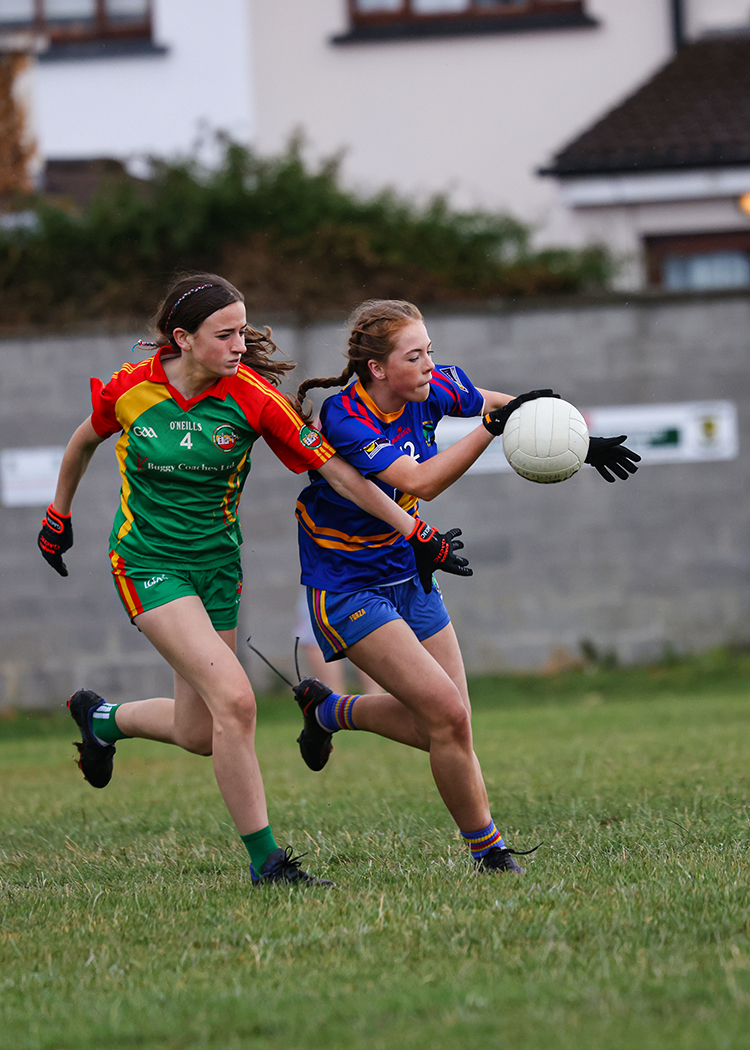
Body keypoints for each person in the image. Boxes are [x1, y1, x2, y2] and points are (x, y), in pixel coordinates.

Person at [37, 275, 471, 889]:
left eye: (244, 329)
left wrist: (413, 530)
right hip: (147, 563)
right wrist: (59, 514)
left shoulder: (254, 397)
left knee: (200, 732)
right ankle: (268, 863)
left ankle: (103, 719)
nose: (241, 344)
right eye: (226, 334)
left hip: (216, 567)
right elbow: (84, 439)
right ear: (182, 339)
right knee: (237, 702)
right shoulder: (131, 389)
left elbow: (341, 475)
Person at [290, 299, 640, 875]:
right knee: (446, 718)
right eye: (415, 355)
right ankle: (491, 854)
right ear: (378, 369)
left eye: (430, 350)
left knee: (452, 724)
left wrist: (576, 442)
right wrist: (488, 432)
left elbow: (506, 405)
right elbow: (419, 481)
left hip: (411, 571)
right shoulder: (346, 418)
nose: (431, 364)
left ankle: (331, 712)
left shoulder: (434, 387)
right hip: (348, 587)